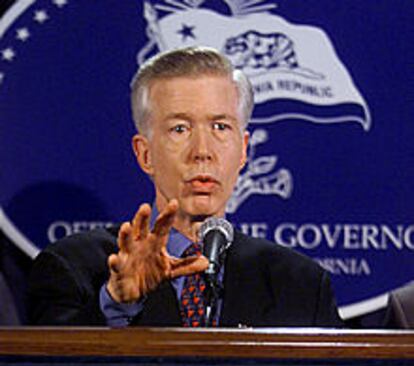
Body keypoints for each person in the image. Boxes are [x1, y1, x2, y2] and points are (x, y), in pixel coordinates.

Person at [28, 47, 342, 328]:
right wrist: (118, 303)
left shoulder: (300, 284)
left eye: (220, 127)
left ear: (244, 149)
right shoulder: (73, 268)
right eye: (180, 128)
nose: (202, 150)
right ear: (145, 154)